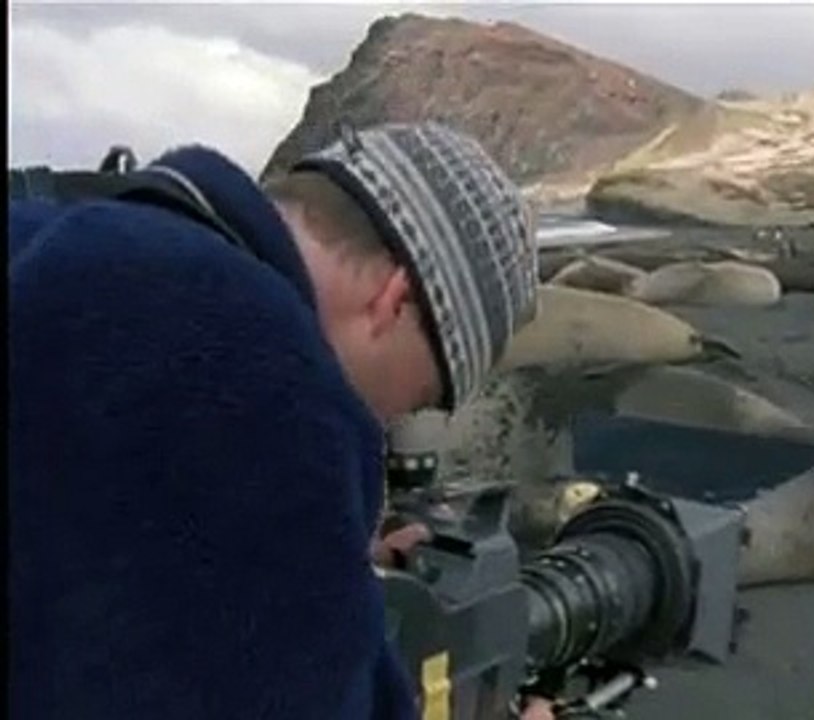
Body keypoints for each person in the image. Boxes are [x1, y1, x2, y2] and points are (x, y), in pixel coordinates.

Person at [9, 123, 554, 719]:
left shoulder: (56, 229)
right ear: (394, 299)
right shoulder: (254, 374)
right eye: (422, 397)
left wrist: (320, 554)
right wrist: (294, 530)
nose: (391, 420)